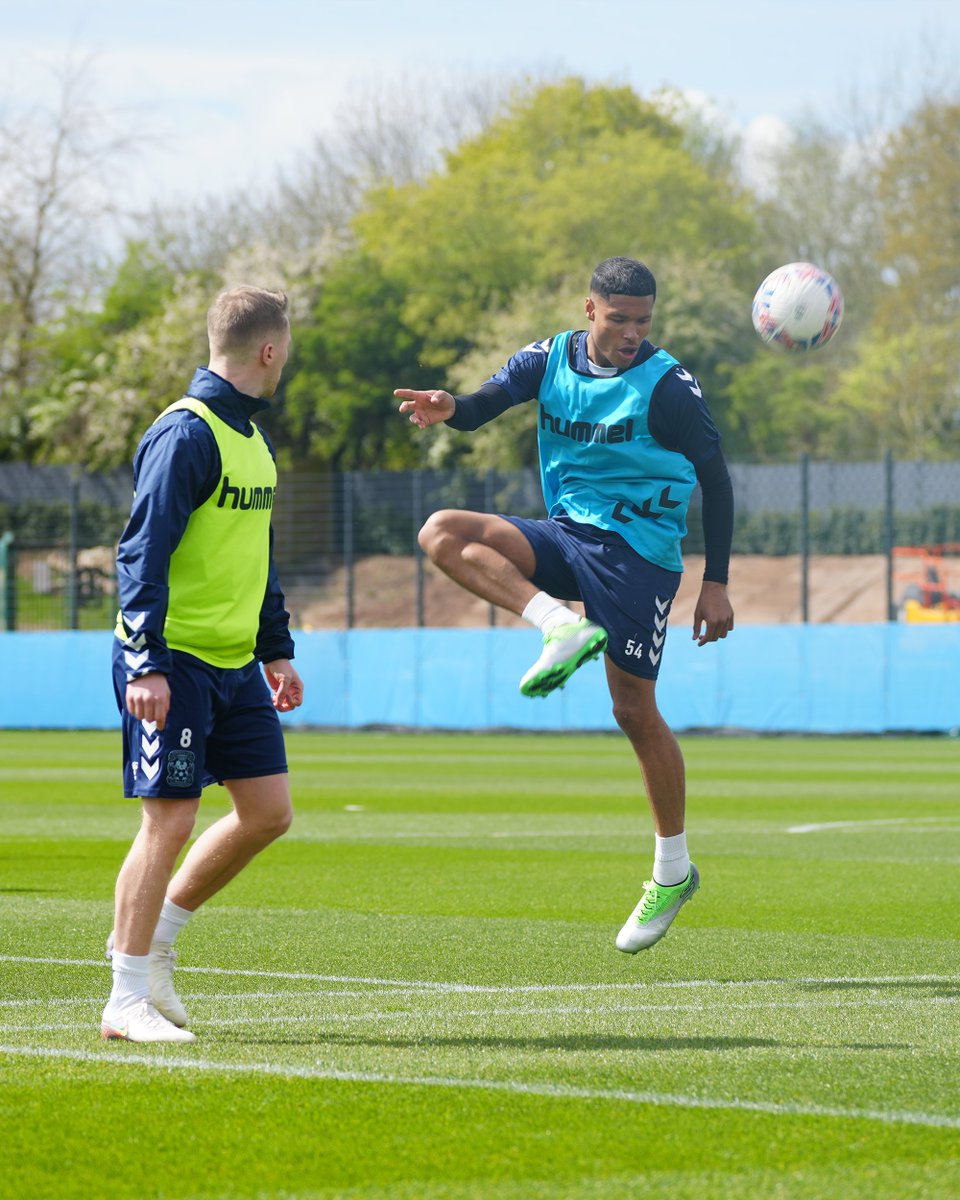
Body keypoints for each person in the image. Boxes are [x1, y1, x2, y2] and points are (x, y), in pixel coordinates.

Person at [396, 257, 734, 954]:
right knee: (441, 532)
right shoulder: (549, 358)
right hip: (568, 534)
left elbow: (718, 479)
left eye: (644, 320)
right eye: (620, 319)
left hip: (638, 555)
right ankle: (557, 624)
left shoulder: (668, 386)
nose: (633, 333)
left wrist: (718, 581)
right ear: (591, 310)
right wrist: (450, 406)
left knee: (633, 711)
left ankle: (673, 872)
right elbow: (486, 403)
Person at [102, 285, 304, 1043]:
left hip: (233, 664)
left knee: (267, 813)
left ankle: (154, 943)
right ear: (269, 350)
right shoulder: (186, 434)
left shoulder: (254, 439)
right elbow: (140, 553)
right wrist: (145, 662)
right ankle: (124, 999)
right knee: (171, 819)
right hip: (173, 662)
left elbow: (256, 554)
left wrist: (275, 647)